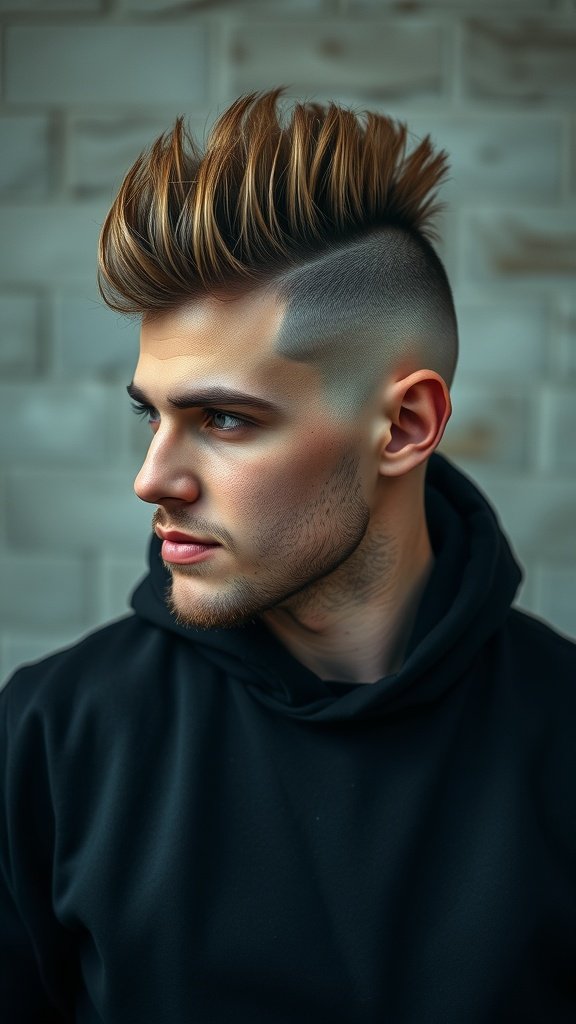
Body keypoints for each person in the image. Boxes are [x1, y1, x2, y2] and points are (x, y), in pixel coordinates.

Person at [1, 89, 574, 1024]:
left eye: (225, 418)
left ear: (405, 425)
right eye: (154, 413)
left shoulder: (560, 737)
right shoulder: (52, 739)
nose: (154, 479)